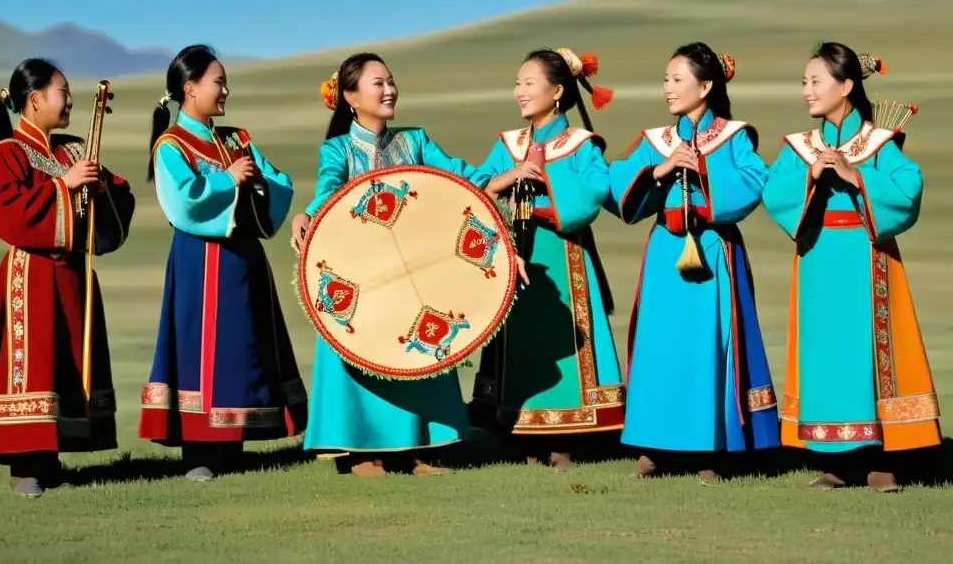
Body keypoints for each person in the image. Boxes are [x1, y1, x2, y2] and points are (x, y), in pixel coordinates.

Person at [290, 52, 520, 477]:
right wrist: (307, 213)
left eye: (391, 81)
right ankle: (362, 453)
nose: (389, 89)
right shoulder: (338, 148)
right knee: (363, 348)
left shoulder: (414, 141)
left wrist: (510, 175)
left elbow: (459, 176)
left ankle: (415, 449)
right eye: (378, 83)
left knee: (414, 347)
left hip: (412, 271)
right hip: (360, 274)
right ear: (350, 97)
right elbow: (328, 190)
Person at [761, 42, 940, 492]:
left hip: (868, 256)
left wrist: (855, 175)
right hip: (819, 256)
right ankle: (838, 459)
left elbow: (908, 187)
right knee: (826, 354)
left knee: (871, 352)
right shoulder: (801, 146)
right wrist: (810, 176)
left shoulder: (880, 143)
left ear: (846, 86)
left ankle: (882, 457)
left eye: (816, 81)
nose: (807, 91)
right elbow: (774, 189)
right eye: (804, 82)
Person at [0, 59, 135, 498]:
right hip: (30, 277)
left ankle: (52, 457)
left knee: (66, 366)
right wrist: (65, 187)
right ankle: (25, 466)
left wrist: (101, 192)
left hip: (73, 276)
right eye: (62, 90)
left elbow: (118, 197)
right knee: (32, 368)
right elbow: (1, 211)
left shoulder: (75, 148)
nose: (71, 99)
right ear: (34, 98)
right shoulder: (8, 152)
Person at [607, 42, 779, 483]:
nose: (667, 87)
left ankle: (712, 447)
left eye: (676, 79)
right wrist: (659, 171)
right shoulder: (656, 141)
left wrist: (703, 170)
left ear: (705, 86)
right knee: (659, 346)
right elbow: (618, 181)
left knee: (710, 346)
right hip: (667, 250)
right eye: (665, 79)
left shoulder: (735, 135)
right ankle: (654, 446)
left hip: (711, 250)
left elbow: (755, 179)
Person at [138, 45, 308, 481]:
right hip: (201, 261)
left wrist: (257, 185)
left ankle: (232, 444)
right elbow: (181, 198)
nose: (226, 90)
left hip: (243, 260)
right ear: (190, 88)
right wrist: (227, 180)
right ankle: (197, 451)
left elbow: (278, 180)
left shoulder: (236, 138)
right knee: (200, 348)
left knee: (242, 347)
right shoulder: (171, 145)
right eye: (218, 81)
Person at [468, 48, 621, 470]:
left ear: (557, 91)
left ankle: (565, 436)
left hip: (562, 250)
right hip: (515, 253)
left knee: (563, 338)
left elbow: (595, 190)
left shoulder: (580, 144)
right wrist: (506, 177)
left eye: (528, 83)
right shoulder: (509, 144)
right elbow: (479, 182)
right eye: (517, 83)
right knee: (521, 340)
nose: (519, 91)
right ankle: (520, 429)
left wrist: (547, 191)